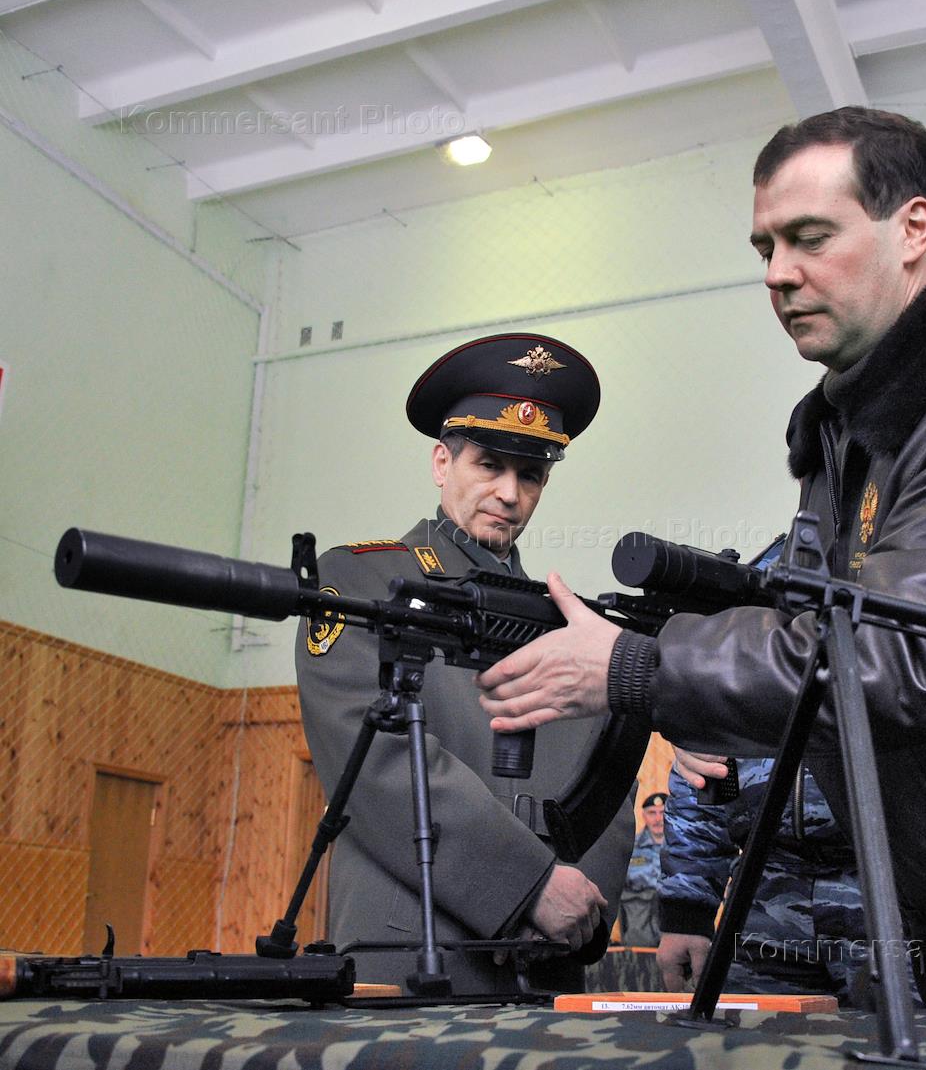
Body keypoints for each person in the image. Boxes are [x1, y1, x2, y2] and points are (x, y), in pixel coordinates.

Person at [477, 108, 926, 1008]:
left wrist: (640, 668)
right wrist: (686, 683)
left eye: (810, 238)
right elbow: (818, 639)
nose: (777, 272)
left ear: (912, 229)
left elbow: (893, 664)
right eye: (765, 246)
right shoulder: (857, 432)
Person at [296, 332, 634, 996]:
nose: (509, 493)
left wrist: (578, 910)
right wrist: (526, 886)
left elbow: (610, 786)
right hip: (411, 959)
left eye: (530, 474)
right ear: (441, 463)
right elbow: (378, 765)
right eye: (489, 464)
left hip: (549, 970)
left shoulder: (569, 626)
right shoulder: (361, 581)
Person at [659, 755, 872, 1004]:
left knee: (895, 1024)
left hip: (884, 890)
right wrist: (686, 917)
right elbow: (698, 794)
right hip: (760, 901)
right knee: (758, 1025)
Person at [618, 792, 667, 947]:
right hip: (639, 931)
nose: (658, 819)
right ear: (644, 816)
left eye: (663, 812)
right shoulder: (629, 848)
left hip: (675, 929)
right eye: (652, 813)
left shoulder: (684, 847)